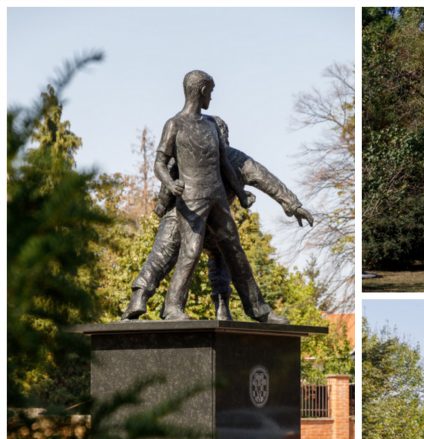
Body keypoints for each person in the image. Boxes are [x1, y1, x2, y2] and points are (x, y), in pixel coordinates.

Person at [124, 116, 314, 321]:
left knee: (211, 256)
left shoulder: (229, 158)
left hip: (207, 219)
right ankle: (146, 299)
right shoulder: (223, 156)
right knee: (183, 253)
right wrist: (292, 204)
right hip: (187, 216)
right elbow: (169, 172)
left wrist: (293, 204)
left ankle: (146, 298)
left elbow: (265, 179)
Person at [153, 70, 279, 322]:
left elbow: (225, 164)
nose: (212, 96)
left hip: (217, 197)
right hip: (191, 198)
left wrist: (241, 195)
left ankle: (259, 310)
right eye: (210, 91)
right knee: (191, 250)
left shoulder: (211, 125)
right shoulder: (174, 124)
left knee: (235, 251)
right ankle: (172, 308)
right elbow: (159, 162)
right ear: (201, 91)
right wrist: (169, 182)